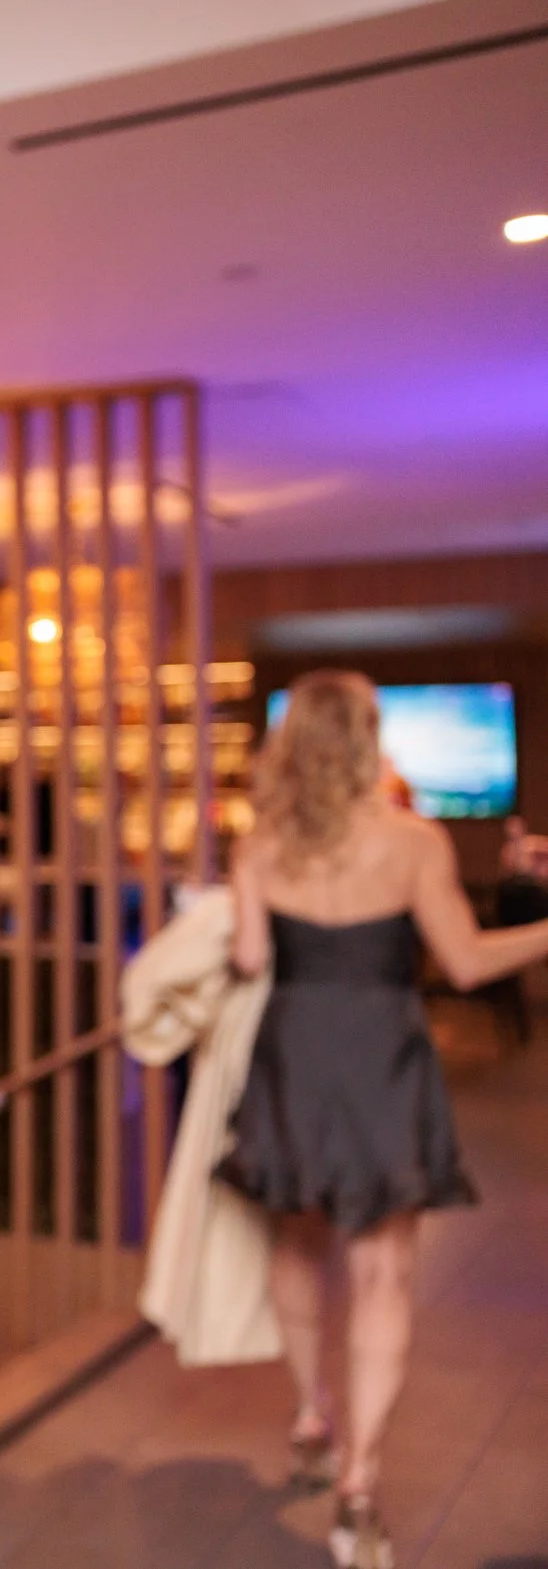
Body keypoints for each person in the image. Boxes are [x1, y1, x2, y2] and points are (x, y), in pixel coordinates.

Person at [221, 669, 548, 1569]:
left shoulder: (262, 842)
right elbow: (470, 960)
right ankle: (360, 1483)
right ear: (368, 738)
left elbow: (249, 957)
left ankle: (309, 1414)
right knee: (383, 1275)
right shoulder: (412, 840)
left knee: (296, 1240)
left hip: (293, 1058)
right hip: (381, 1064)